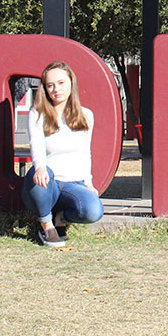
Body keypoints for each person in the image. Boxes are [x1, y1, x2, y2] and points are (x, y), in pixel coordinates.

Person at [22, 61, 103, 248]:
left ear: (71, 83)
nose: (55, 89)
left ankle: (60, 218)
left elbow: (85, 152)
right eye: (50, 85)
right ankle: (47, 226)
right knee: (43, 175)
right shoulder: (37, 113)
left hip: (71, 185)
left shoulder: (86, 115)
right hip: (45, 183)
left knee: (93, 210)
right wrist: (40, 167)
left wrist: (88, 182)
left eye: (60, 83)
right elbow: (36, 145)